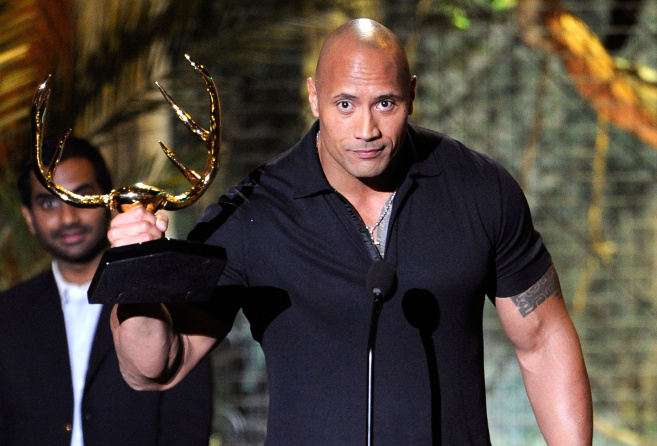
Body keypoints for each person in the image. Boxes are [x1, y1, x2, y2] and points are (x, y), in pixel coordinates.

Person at [107, 18, 593, 445]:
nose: (366, 129)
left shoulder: (479, 189)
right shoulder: (252, 214)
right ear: (314, 96)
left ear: (412, 95)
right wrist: (136, 273)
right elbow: (158, 368)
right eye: (345, 104)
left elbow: (544, 339)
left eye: (386, 103)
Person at [0, 136, 213, 446]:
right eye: (48, 203)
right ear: (29, 218)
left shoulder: (167, 301)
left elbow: (187, 428)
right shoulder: (7, 314)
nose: (67, 217)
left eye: (81, 197)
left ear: (109, 200)